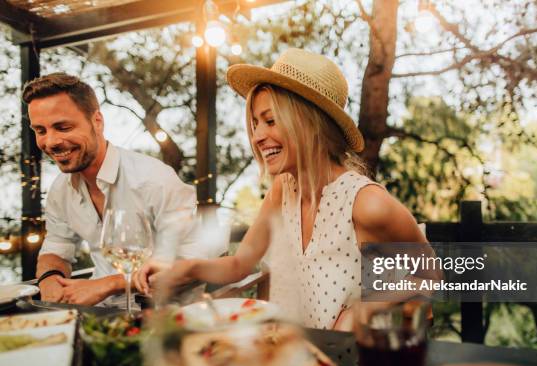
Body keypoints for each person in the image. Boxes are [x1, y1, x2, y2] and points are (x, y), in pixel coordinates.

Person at [134, 49, 428, 329]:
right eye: (255, 123)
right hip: (289, 356)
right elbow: (239, 263)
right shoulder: (282, 190)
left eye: (271, 121)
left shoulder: (366, 203)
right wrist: (187, 268)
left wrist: (366, 308)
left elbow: (432, 276)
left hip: (348, 365)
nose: (258, 136)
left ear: (310, 124)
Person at [24, 73, 202, 306]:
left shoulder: (155, 180)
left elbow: (192, 263)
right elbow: (56, 250)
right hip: (99, 317)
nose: (51, 142)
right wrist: (50, 280)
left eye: (63, 127)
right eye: (40, 131)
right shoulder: (60, 190)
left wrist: (109, 284)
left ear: (97, 121)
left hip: (168, 318)